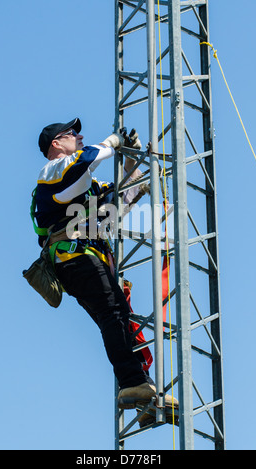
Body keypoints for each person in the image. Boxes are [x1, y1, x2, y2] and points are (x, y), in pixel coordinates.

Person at [34, 117, 178, 419]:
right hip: (75, 257)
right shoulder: (52, 171)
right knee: (114, 314)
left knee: (117, 318)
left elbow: (123, 196)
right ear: (56, 144)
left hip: (84, 260)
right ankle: (133, 384)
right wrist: (112, 143)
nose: (80, 136)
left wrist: (129, 161)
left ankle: (141, 389)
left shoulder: (82, 185)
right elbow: (85, 161)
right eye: (72, 134)